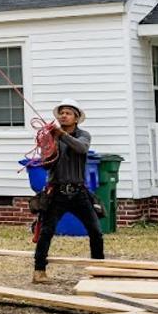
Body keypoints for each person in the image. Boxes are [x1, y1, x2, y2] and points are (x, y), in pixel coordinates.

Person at [32, 102, 103, 282]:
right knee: (46, 231)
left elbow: (81, 148)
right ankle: (39, 271)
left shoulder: (83, 136)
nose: (64, 116)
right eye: (61, 113)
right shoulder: (50, 137)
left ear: (76, 118)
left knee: (95, 231)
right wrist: (49, 144)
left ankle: (100, 270)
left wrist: (61, 135)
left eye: (68, 113)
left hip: (79, 192)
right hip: (57, 192)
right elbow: (46, 164)